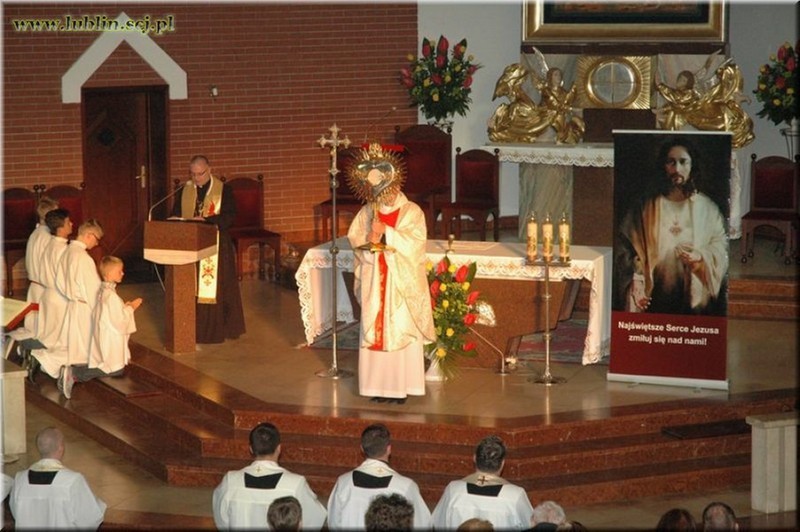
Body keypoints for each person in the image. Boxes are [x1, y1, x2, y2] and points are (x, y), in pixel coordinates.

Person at [346, 144, 436, 404]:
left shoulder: (412, 212)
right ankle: (376, 387)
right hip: (375, 281)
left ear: (396, 183)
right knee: (375, 332)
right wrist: (370, 240)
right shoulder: (367, 212)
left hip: (400, 286)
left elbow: (416, 245)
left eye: (389, 187)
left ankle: (401, 388)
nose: (386, 193)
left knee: (400, 331)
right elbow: (357, 241)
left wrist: (387, 231)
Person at [615, 137, 728, 315]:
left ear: (692, 165)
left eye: (683, 162)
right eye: (671, 162)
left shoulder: (707, 208)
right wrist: (636, 277)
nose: (677, 169)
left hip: (692, 301)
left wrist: (700, 257)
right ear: (663, 166)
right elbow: (625, 246)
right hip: (653, 296)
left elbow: (721, 246)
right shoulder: (646, 206)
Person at [170, 154, 245, 344]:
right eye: (193, 174)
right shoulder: (184, 190)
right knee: (193, 288)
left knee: (216, 289)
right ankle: (191, 329)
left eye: (200, 174)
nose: (196, 178)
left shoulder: (224, 190)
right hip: (190, 246)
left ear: (209, 170)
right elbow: (175, 213)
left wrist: (206, 220)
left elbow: (230, 216)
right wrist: (175, 219)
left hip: (217, 246)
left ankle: (217, 330)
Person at [212, 422, 327, 530]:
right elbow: (315, 519)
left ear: (251, 449)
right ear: (279, 448)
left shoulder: (231, 481)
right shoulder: (295, 484)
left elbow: (221, 520)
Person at [64, 256, 143, 397]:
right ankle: (75, 373)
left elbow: (112, 312)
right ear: (109, 274)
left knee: (109, 365)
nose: (123, 273)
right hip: (110, 337)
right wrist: (131, 308)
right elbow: (119, 321)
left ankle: (77, 371)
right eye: (119, 271)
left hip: (105, 333)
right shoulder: (110, 296)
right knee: (114, 369)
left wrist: (124, 307)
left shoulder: (104, 290)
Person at [327, 423, 431, 529]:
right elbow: (423, 524)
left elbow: (333, 523)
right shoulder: (406, 487)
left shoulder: (343, 483)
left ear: (362, 448)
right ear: (389, 449)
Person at [9, 426, 106, 529]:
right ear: (61, 448)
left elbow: (16, 513)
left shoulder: (20, 480)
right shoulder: (72, 481)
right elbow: (90, 519)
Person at [432, 435, 533, 530]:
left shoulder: (453, 491)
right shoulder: (515, 496)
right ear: (502, 463)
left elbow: (436, 525)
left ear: (474, 458)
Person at [53, 219, 104, 398]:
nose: (96, 243)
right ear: (89, 235)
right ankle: (72, 374)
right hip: (84, 307)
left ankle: (67, 372)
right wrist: (102, 308)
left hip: (73, 304)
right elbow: (93, 289)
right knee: (87, 349)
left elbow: (59, 281)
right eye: (96, 239)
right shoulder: (83, 258)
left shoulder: (67, 251)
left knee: (75, 345)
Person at [28, 208, 73, 381]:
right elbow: (65, 278)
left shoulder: (51, 244)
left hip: (48, 294)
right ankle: (43, 360)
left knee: (50, 335)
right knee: (59, 338)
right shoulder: (62, 250)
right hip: (60, 297)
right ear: (61, 227)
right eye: (68, 222)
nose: (72, 224)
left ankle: (39, 361)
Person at [9, 195, 59, 342]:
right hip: (43, 287)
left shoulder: (36, 233)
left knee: (36, 327)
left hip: (36, 286)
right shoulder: (47, 237)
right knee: (45, 331)